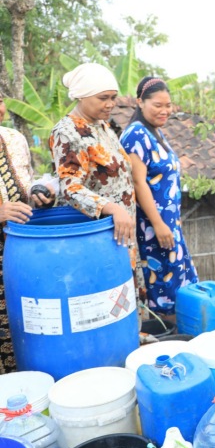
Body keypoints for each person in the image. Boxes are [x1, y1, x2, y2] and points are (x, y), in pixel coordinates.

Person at [51, 62, 147, 325]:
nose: (110, 104)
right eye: (102, 98)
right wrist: (112, 208)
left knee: (125, 299)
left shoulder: (102, 126)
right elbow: (69, 187)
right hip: (98, 233)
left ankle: (132, 343)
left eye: (113, 97)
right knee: (105, 303)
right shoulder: (67, 132)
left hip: (121, 231)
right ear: (81, 96)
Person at [120, 77, 198, 317]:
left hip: (168, 225)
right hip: (153, 229)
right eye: (158, 105)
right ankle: (169, 341)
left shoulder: (155, 132)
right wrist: (158, 223)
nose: (165, 110)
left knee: (179, 285)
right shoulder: (135, 134)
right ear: (140, 103)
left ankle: (181, 335)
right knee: (164, 288)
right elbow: (138, 182)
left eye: (168, 105)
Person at [0, 96, 55, 374]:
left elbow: (28, 178)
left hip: (22, 253)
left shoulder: (15, 139)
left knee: (29, 327)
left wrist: (37, 191)